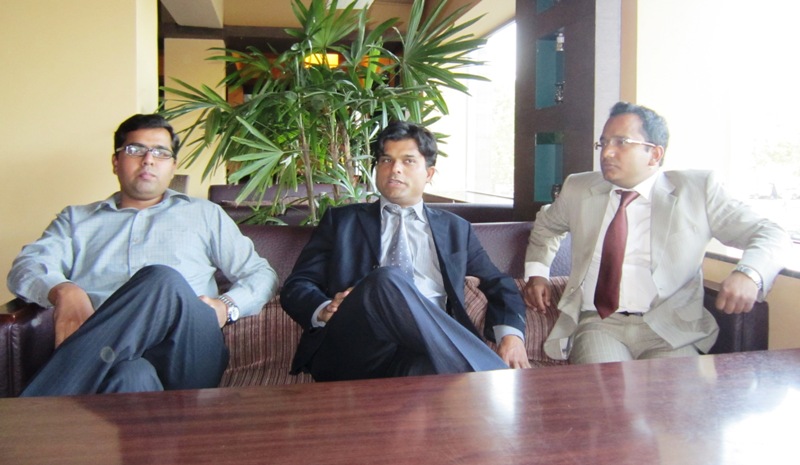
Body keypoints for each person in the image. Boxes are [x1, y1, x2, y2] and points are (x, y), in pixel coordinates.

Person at [8, 113, 278, 396]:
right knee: (131, 375)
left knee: (162, 280)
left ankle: (40, 406)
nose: (148, 160)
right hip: (110, 358)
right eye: (135, 149)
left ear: (173, 167)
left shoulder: (205, 214)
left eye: (161, 152)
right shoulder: (76, 220)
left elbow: (261, 274)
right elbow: (27, 266)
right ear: (116, 161)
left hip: (188, 349)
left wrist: (226, 307)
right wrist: (65, 291)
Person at [524, 101, 791, 364]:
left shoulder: (697, 191)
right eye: (603, 143)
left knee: (671, 394)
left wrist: (749, 273)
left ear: (654, 154)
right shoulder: (579, 188)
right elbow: (547, 226)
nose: (607, 153)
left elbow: (772, 233)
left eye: (621, 142)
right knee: (609, 390)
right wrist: (538, 273)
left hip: (671, 329)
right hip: (600, 323)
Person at [280, 121, 530, 381]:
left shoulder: (456, 229)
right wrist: (323, 309)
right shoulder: (341, 222)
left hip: (426, 350)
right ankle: (492, 379)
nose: (395, 169)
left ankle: (474, 382)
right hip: (357, 347)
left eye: (408, 161)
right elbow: (297, 285)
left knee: (427, 379)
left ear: (429, 174)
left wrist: (511, 335)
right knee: (386, 279)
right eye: (386, 160)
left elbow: (498, 282)